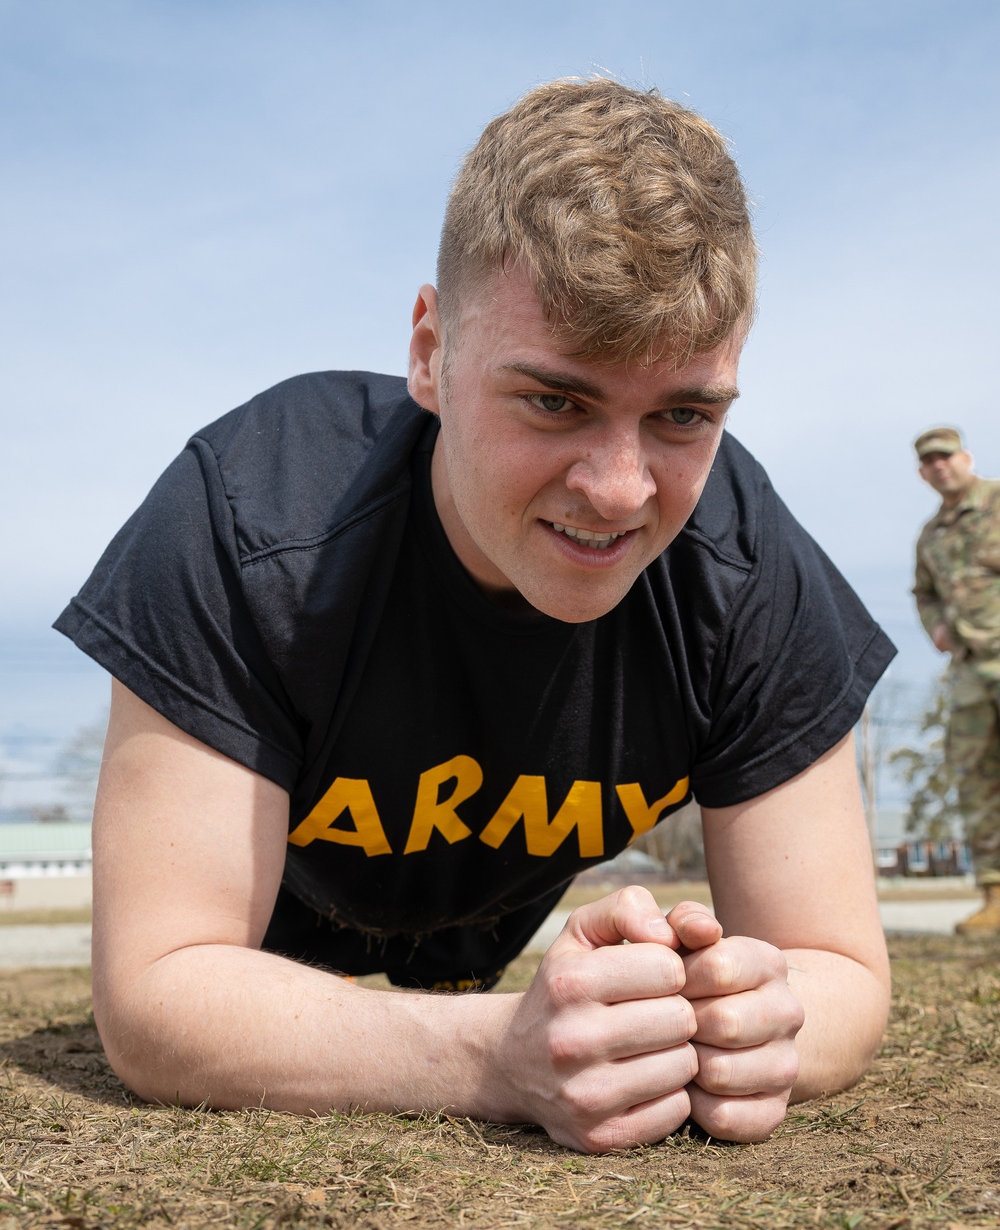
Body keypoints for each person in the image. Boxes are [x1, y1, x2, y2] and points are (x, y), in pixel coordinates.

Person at [56, 78, 894, 1154]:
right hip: (263, 952)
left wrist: (752, 1021)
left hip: (474, 954)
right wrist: (496, 1053)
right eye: (556, 400)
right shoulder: (252, 518)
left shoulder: (740, 568)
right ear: (429, 351)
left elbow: (839, 967)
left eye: (683, 415)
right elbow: (159, 995)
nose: (621, 488)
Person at [913, 427, 1000, 933]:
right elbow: (923, 593)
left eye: (947, 457)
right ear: (923, 473)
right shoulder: (932, 535)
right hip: (968, 670)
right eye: (930, 462)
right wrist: (936, 627)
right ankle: (994, 896)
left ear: (965, 458)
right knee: (977, 781)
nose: (940, 467)